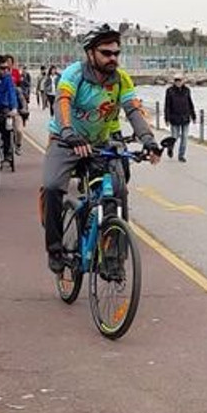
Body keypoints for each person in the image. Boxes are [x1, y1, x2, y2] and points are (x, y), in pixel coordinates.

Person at [43, 24, 162, 273]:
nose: (113, 58)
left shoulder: (121, 79)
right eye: (106, 53)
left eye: (116, 53)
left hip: (100, 143)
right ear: (90, 53)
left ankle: (114, 258)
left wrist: (148, 140)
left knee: (118, 191)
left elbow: (133, 110)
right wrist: (68, 133)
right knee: (53, 187)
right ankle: (55, 249)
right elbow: (62, 102)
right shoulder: (74, 74)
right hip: (66, 140)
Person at [163, 74, 197, 162]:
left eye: (180, 80)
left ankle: (181, 155)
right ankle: (170, 148)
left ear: (183, 81)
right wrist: (167, 118)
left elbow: (190, 103)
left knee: (184, 137)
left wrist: (193, 116)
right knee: (174, 137)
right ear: (174, 81)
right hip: (174, 118)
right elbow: (167, 105)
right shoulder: (169, 91)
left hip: (185, 117)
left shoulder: (187, 90)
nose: (178, 82)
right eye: (176, 80)